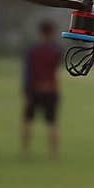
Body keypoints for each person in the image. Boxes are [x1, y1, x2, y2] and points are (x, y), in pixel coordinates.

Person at [21, 20, 62, 159]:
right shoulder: (56, 51)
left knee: (27, 121)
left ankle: (25, 152)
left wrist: (26, 92)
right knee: (52, 123)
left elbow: (28, 72)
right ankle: (53, 154)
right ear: (52, 32)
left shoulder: (33, 51)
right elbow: (57, 69)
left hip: (34, 90)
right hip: (51, 89)